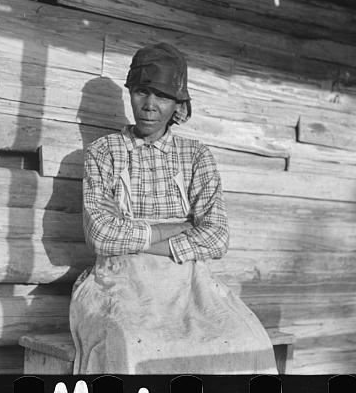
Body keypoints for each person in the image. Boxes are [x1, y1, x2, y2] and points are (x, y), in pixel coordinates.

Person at [69, 43, 278, 374]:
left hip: (189, 286)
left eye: (162, 96)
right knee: (132, 347)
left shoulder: (195, 156)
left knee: (247, 343)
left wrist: (129, 226)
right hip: (121, 285)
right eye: (141, 92)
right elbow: (100, 235)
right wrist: (182, 227)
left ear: (178, 104)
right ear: (131, 93)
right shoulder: (103, 153)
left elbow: (217, 237)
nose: (150, 106)